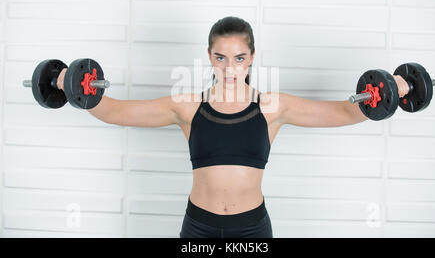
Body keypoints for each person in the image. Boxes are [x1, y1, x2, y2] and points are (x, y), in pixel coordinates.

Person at [56, 16, 410, 238]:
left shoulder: (272, 106)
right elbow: (111, 110)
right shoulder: (187, 106)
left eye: (239, 58)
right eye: (221, 57)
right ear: (209, 56)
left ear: (252, 58)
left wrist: (395, 89)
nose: (229, 67)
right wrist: (67, 82)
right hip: (199, 228)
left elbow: (350, 112)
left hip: (252, 228)